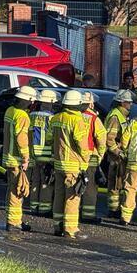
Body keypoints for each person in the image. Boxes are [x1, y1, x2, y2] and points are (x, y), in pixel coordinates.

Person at [51, 90, 90, 239]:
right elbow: (82, 145)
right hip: (73, 165)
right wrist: (85, 161)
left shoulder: (56, 118)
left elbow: (49, 139)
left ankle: (58, 226)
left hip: (58, 164)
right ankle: (70, 229)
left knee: (59, 195)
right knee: (72, 198)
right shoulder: (77, 120)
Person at [0, 85, 36, 232]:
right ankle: (13, 222)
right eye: (31, 101)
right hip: (17, 160)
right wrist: (25, 158)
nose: (33, 103)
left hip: (9, 157)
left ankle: (14, 219)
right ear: (27, 100)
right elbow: (21, 139)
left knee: (12, 189)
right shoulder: (22, 116)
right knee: (17, 191)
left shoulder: (10, 110)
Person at [104, 89, 132, 219]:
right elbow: (109, 138)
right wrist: (118, 152)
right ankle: (113, 210)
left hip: (121, 156)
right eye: (128, 102)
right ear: (122, 102)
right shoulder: (115, 116)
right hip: (116, 157)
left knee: (120, 183)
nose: (130, 104)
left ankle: (116, 208)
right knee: (115, 183)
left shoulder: (122, 115)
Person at [80, 91, 107, 224]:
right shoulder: (94, 118)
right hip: (90, 157)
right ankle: (88, 215)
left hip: (74, 157)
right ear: (91, 103)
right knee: (90, 187)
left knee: (74, 185)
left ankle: (72, 211)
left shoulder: (74, 116)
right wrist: (100, 156)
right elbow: (101, 139)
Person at [29, 89, 57, 217]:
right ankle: (44, 208)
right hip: (46, 154)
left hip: (33, 154)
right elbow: (51, 137)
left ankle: (33, 206)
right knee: (46, 182)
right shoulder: (52, 118)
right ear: (49, 102)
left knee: (35, 181)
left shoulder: (31, 115)